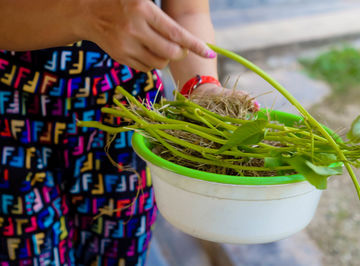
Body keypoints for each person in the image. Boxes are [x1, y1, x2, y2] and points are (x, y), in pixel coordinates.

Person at [0, 0, 252, 265]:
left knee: (119, 254)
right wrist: (86, 14)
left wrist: (202, 88)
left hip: (127, 120)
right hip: (15, 115)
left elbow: (187, 10)